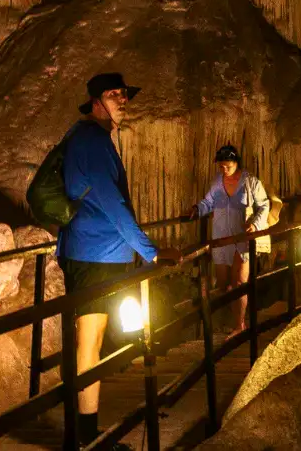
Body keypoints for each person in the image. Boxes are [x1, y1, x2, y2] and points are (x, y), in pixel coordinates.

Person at [57, 72, 181, 449]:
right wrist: (152, 251)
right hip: (93, 256)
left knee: (92, 342)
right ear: (96, 102)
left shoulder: (93, 139)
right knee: (89, 344)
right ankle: (85, 437)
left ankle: (85, 431)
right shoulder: (92, 142)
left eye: (124, 94)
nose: (122, 100)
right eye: (114, 94)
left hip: (98, 254)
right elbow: (113, 206)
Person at [185, 144, 271, 335]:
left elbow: (264, 205)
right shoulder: (217, 182)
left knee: (239, 282)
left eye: (228, 166)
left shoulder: (250, 182)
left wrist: (255, 224)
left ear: (236, 163)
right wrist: (197, 209)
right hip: (220, 239)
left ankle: (239, 325)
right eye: (221, 167)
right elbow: (208, 202)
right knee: (223, 284)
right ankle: (223, 322)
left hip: (241, 239)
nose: (224, 170)